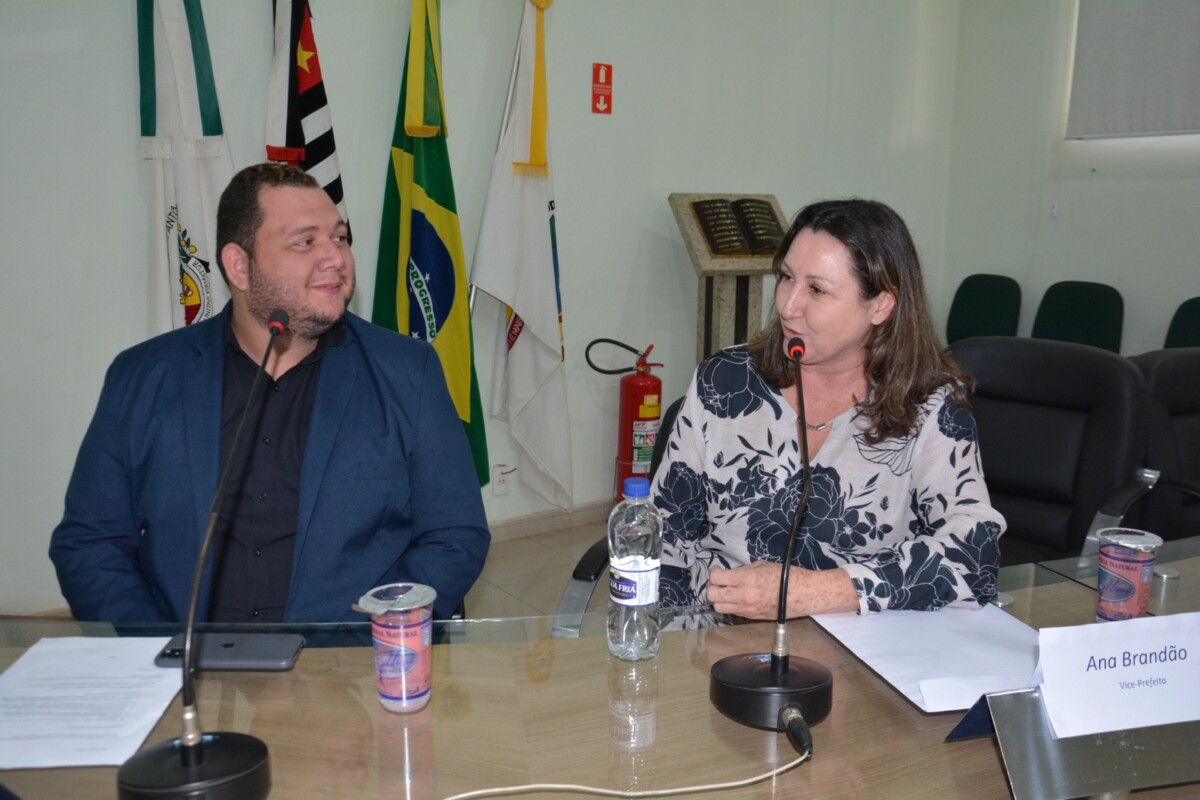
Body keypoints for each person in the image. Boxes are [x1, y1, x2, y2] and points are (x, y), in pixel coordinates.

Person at [49, 163, 489, 623]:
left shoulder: (408, 372)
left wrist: (375, 641)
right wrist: (156, 651)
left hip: (350, 658)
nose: (336, 259)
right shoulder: (143, 377)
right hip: (187, 656)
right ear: (239, 266)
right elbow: (91, 542)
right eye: (305, 242)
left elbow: (454, 536)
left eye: (340, 238)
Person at [654, 198, 1003, 618]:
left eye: (817, 290)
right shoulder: (725, 380)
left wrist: (817, 592)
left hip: (861, 646)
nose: (788, 306)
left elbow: (974, 558)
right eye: (787, 278)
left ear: (881, 305)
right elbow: (662, 536)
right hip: (717, 636)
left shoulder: (928, 407)